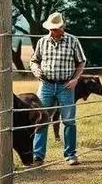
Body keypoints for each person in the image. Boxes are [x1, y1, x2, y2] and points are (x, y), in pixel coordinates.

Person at [29, 12, 87, 167]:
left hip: (65, 86)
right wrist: (36, 70)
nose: (51, 31)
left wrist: (75, 79)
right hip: (46, 85)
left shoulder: (73, 41)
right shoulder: (42, 42)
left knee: (68, 121)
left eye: (54, 29)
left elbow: (81, 62)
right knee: (41, 119)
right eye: (50, 29)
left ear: (62, 28)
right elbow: (34, 60)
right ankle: (37, 156)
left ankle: (70, 155)